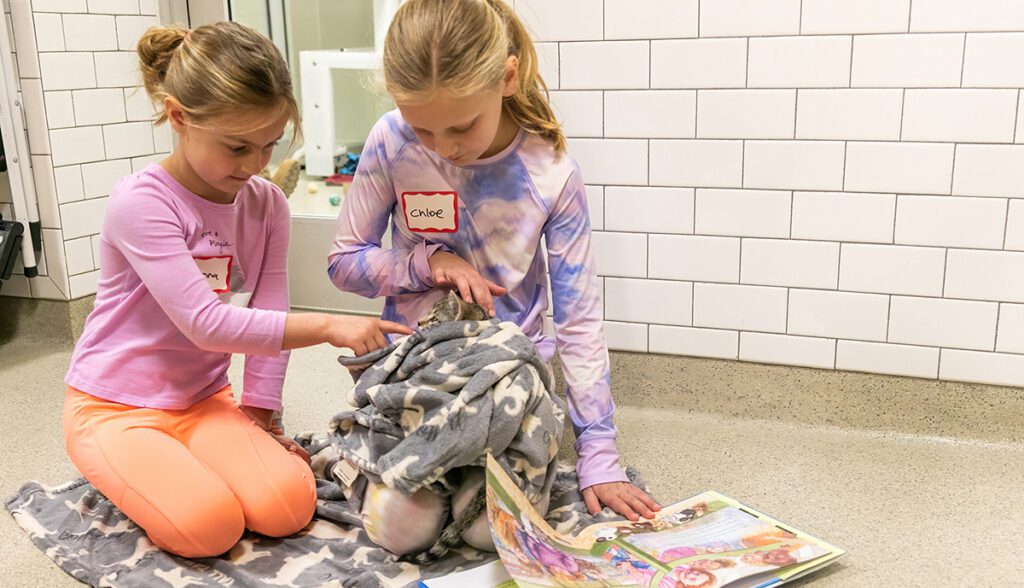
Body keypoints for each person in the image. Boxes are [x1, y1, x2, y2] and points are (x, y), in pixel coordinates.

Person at [62, 22, 411, 559]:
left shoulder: (266, 203)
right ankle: (134, 463)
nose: (254, 165)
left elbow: (270, 306)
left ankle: (183, 463)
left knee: (288, 506)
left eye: (269, 145)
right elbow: (206, 323)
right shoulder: (142, 203)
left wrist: (260, 415)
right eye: (237, 147)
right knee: (211, 527)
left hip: (203, 401)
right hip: (116, 406)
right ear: (179, 117)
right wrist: (327, 326)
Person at [327, 0, 660, 556]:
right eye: (423, 129)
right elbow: (344, 262)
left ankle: (444, 473)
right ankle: (392, 465)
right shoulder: (390, 141)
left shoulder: (550, 173)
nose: (445, 148)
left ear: (506, 78)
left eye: (460, 126)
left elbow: (578, 319)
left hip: (510, 383)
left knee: (489, 534)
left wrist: (598, 451)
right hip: (419, 370)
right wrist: (426, 263)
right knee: (400, 531)